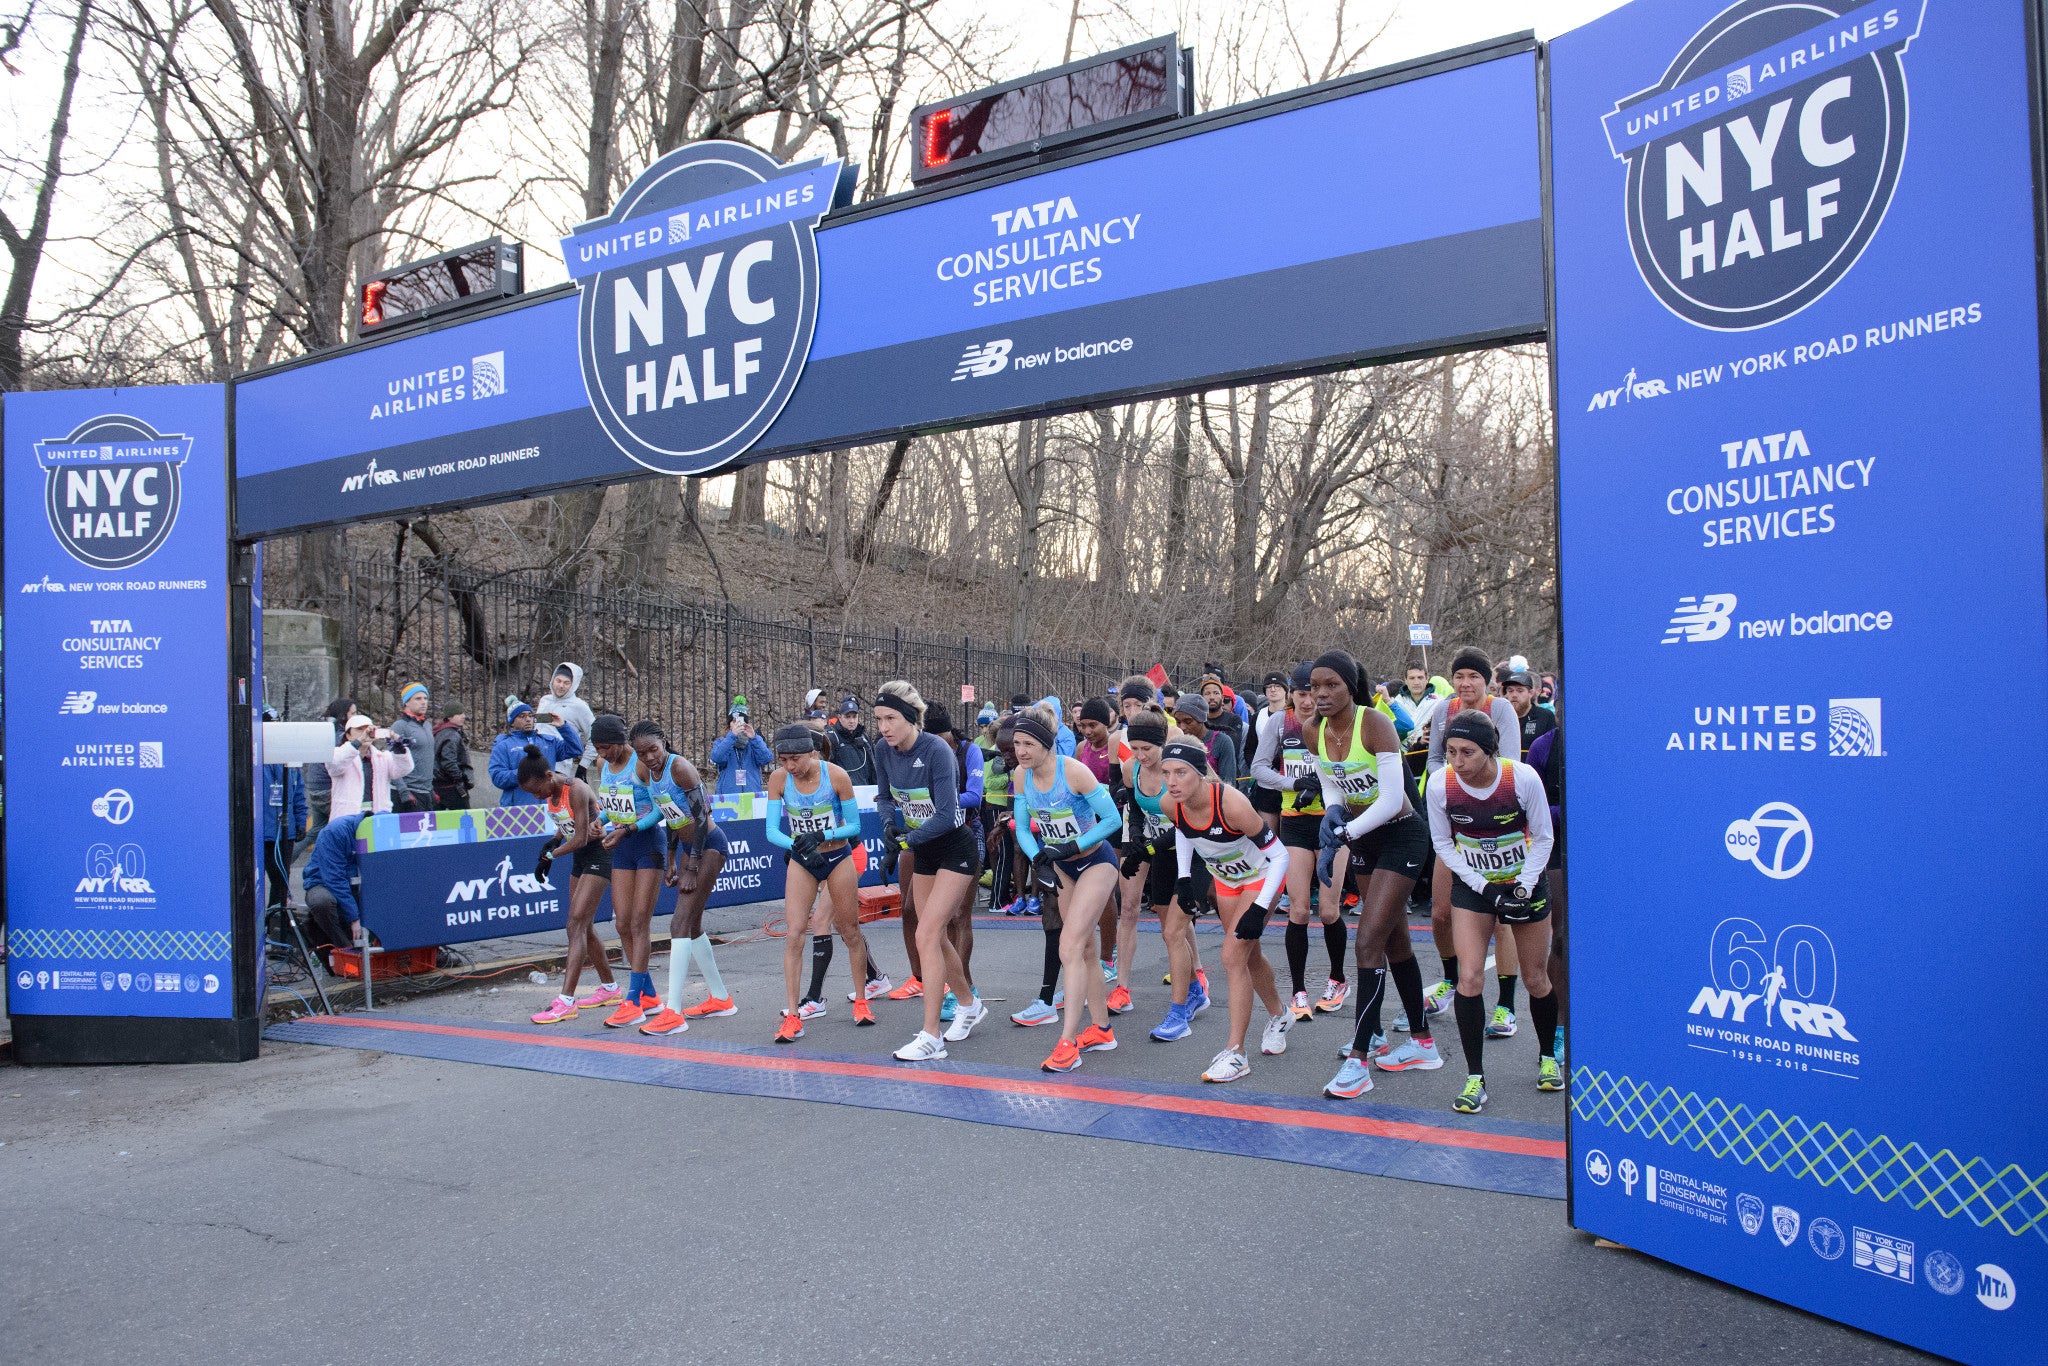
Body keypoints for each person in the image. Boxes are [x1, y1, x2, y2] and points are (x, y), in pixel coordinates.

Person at [1302, 651, 1439, 1102]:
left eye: (1331, 686)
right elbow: (1333, 784)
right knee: (1392, 941)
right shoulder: (1313, 730)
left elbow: (1391, 799)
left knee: (1366, 942)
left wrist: (1341, 833)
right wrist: (1334, 816)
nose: (1320, 694)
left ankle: (1360, 1061)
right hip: (1363, 838)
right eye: (1314, 687)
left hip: (1401, 834)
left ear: (1350, 685)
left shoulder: (1374, 723)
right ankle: (1422, 1043)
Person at [1426, 710, 1560, 1112]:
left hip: (1525, 881)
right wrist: (1486, 888)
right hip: (1474, 885)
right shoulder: (1440, 785)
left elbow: (1543, 836)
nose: (1458, 761)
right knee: (1468, 978)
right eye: (1451, 751)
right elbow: (1443, 845)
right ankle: (1474, 1077)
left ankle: (1548, 1058)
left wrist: (1523, 885)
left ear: (1490, 752)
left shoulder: (1520, 777)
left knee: (1536, 977)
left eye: (1467, 752)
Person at [1161, 739, 1289, 1083]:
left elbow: (1280, 856)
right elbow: (1185, 832)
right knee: (1248, 956)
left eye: (1181, 773)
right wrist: (1184, 879)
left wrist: (1261, 906)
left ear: (1201, 774)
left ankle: (1236, 1053)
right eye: (1166, 773)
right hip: (1226, 881)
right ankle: (1279, 1013)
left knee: (1231, 956)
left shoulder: (1231, 803)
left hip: (1261, 877)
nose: (1172, 781)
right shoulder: (1170, 802)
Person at [872, 682, 987, 1062]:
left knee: (928, 932)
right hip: (922, 848)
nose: (884, 727)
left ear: (910, 718)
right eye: (879, 720)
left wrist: (905, 841)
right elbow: (887, 798)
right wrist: (890, 826)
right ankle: (969, 1004)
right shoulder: (882, 751)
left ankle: (931, 1036)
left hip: (954, 846)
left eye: (890, 718)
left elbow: (948, 814)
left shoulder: (937, 749)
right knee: (933, 938)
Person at [1008, 705, 1123, 1072]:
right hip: (1061, 865)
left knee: (1069, 945)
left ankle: (1067, 1041)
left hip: (1096, 861)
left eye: (1028, 744)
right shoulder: (1021, 776)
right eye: (1017, 744)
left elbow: (1112, 820)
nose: (1021, 751)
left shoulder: (1073, 771)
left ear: (1046, 744)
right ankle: (1102, 1030)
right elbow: (1024, 828)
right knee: (1084, 949)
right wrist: (1038, 858)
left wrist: (1073, 846)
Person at [1422, 649, 1524, 1037]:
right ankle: (1449, 981)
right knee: (1440, 913)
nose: (1466, 684)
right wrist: (1454, 777)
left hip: (1499, 826)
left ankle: (1506, 1005)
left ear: (1487, 682)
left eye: (1474, 677)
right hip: (1455, 823)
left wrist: (1468, 777)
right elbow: (1432, 760)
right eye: (1459, 675)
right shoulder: (1442, 711)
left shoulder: (1501, 712)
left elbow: (1511, 763)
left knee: (1502, 920)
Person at [1250, 663, 1349, 1023]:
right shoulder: (1281, 723)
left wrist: (1324, 786)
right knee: (1298, 910)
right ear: (1292, 694)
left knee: (1328, 910)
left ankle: (1338, 979)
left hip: (1333, 821)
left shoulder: (1336, 721)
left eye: (1313, 693)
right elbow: (1259, 767)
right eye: (1301, 693)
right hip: (1295, 822)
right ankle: (1298, 990)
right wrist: (1292, 785)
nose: (1308, 701)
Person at [763, 724, 872, 1040]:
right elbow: (771, 831)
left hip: (837, 857)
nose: (790, 766)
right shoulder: (779, 780)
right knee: (795, 933)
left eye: (795, 758)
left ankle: (862, 1001)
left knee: (849, 930)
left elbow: (853, 826)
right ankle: (793, 1015)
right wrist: (796, 845)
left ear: (811, 752)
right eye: (783, 760)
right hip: (803, 860)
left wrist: (823, 835)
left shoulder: (836, 776)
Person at [630, 720, 732, 1034]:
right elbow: (670, 816)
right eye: (642, 752)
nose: (648, 757)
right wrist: (673, 858)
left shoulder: (681, 769)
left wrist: (691, 866)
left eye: (653, 749)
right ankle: (721, 999)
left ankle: (673, 1012)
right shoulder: (647, 773)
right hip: (687, 848)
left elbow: (702, 819)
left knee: (679, 924)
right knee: (693, 923)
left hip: (709, 847)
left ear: (665, 743)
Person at [1117, 710, 1212, 1042]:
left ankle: (1178, 1012)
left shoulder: (1179, 769)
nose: (1141, 756)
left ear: (1162, 744)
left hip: (1198, 852)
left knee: (1173, 932)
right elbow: (1136, 810)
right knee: (1169, 926)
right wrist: (1137, 842)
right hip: (1163, 855)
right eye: (1135, 748)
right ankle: (1196, 990)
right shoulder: (1131, 769)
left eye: (1147, 749)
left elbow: (1188, 822)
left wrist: (1147, 851)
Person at [523, 745, 624, 1023]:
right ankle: (610, 988)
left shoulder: (575, 788)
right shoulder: (552, 791)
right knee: (583, 925)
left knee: (575, 924)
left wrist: (550, 855)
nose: (536, 796)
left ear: (548, 776)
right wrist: (554, 840)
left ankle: (566, 1001)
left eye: (537, 791)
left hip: (597, 854)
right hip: (579, 857)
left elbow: (580, 837)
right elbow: (567, 824)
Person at [590, 713, 666, 1027]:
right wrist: (602, 822)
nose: (603, 753)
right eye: (598, 748)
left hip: (647, 842)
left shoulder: (639, 762)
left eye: (607, 747)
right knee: (622, 923)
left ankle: (633, 1001)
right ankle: (648, 996)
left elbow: (659, 809)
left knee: (639, 922)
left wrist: (629, 829)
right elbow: (613, 804)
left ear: (622, 742)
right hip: (621, 845)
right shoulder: (601, 765)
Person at [491, 698, 583, 806]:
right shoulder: (503, 745)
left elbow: (576, 749)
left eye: (530, 715)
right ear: (511, 722)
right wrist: (526, 774)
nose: (528, 719)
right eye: (522, 716)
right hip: (518, 808)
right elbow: (498, 777)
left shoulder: (548, 741)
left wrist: (563, 727)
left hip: (548, 805)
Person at [260, 711, 308, 912]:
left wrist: (301, 822)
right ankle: (272, 918)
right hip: (263, 833)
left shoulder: (289, 758)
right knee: (275, 878)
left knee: (282, 878)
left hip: (285, 830)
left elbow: (298, 792)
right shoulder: (254, 758)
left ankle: (276, 920)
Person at [326, 713, 416, 816]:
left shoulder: (382, 757)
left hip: (377, 816)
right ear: (348, 735)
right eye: (359, 729)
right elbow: (334, 766)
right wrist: (358, 742)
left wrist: (400, 749)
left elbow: (404, 769)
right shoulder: (339, 753)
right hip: (348, 817)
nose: (365, 733)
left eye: (369, 730)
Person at [301, 811, 366, 952]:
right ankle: (346, 949)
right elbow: (334, 879)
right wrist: (354, 918)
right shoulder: (336, 831)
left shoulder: (381, 830)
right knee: (321, 901)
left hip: (356, 886)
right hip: (323, 883)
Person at [303, 697, 354, 835]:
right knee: (344, 827)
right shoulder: (341, 737)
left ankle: (286, 857)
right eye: (353, 714)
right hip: (327, 789)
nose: (356, 717)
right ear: (343, 716)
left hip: (315, 787)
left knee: (316, 830)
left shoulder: (326, 730)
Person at [1248, 671, 1290, 832]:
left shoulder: (1293, 715)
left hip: (1289, 783)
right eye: (1269, 687)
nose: (1273, 690)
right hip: (1266, 785)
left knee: (1288, 835)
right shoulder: (1258, 716)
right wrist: (1261, 767)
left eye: (1277, 686)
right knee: (1268, 834)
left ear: (1286, 690)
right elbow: (1250, 749)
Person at [388, 683, 437, 813]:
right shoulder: (400, 726)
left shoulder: (427, 725)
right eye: (418, 698)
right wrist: (404, 792)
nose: (424, 702)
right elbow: (391, 760)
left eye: (425, 698)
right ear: (407, 703)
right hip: (409, 792)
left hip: (426, 792)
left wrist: (431, 789)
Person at [710, 697, 774, 796]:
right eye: (734, 721)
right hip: (728, 797)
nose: (737, 724)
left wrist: (754, 737)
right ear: (729, 725)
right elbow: (717, 758)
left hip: (752, 796)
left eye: (740, 721)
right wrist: (732, 736)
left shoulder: (754, 742)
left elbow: (766, 758)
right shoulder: (722, 742)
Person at [1173, 695, 1237, 786]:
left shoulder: (1222, 742)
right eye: (1178, 722)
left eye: (1188, 722)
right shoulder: (1176, 742)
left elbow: (1229, 786)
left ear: (1202, 719)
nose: (1182, 727)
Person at [431, 705, 474, 809]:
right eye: (459, 714)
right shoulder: (452, 735)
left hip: (437, 785)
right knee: (464, 820)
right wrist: (461, 778)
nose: (464, 716)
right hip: (452, 787)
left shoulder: (438, 731)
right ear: (450, 717)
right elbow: (448, 762)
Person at [1504, 670, 1555, 754]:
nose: (1514, 695)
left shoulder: (1545, 716)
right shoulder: (1501, 718)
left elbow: (1552, 750)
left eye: (1520, 691)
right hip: (1508, 766)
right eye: (1510, 691)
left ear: (1531, 693)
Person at [832, 696, 876, 785]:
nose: (851, 721)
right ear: (840, 717)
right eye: (847, 717)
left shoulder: (864, 737)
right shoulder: (833, 737)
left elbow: (873, 764)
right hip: (844, 791)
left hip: (866, 790)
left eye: (854, 717)